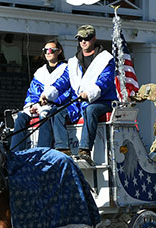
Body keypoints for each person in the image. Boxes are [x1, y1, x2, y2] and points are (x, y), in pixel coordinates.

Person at [41, 25, 117, 164]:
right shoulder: (73, 62)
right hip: (80, 102)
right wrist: (47, 95)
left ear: (93, 39)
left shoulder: (106, 59)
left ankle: (85, 150)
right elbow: (63, 81)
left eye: (86, 38)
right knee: (57, 112)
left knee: (90, 109)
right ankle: (63, 149)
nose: (83, 41)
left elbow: (104, 82)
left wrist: (89, 93)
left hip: (103, 101)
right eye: (80, 39)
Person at [9, 39, 71, 152]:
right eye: (45, 50)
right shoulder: (39, 72)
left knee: (44, 115)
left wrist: (50, 101)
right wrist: (32, 105)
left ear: (59, 51)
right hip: (38, 106)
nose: (48, 52)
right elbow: (32, 92)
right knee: (20, 117)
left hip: (55, 106)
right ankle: (15, 152)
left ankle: (43, 150)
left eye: (51, 50)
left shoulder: (66, 69)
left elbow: (67, 90)